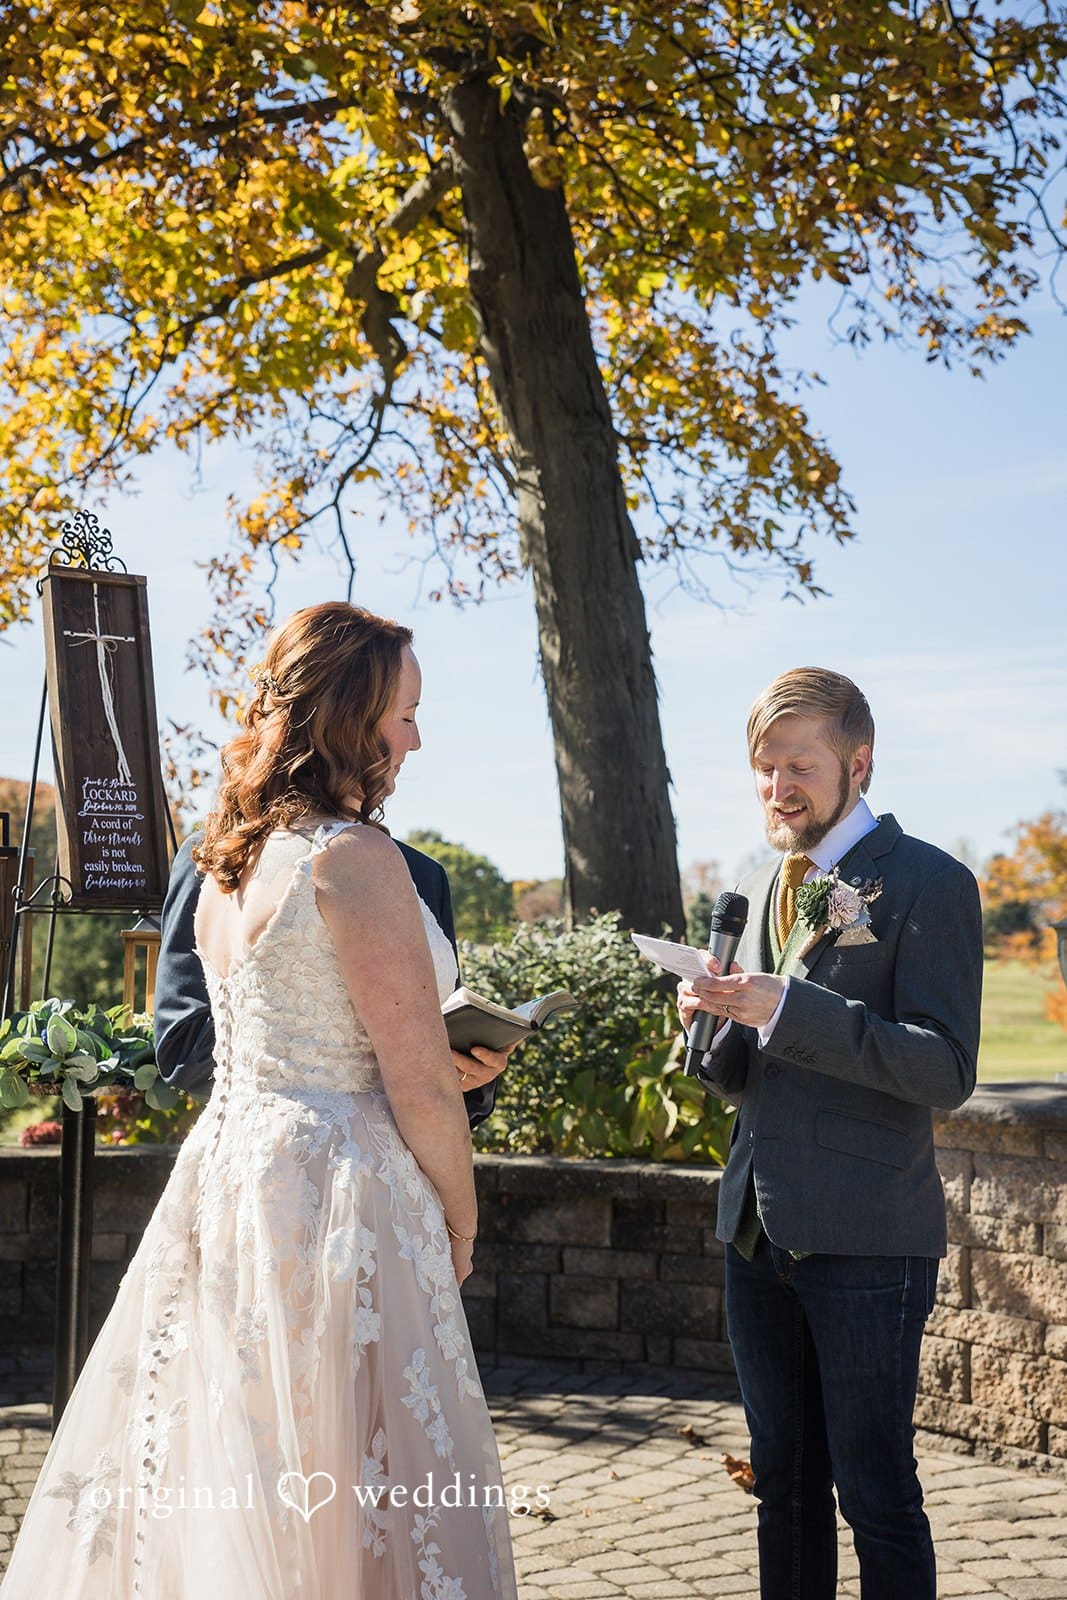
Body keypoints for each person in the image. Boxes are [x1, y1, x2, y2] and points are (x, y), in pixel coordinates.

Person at [3, 603, 518, 1599]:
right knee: (343, 1471)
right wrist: (458, 1220)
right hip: (339, 1194)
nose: (416, 736)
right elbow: (412, 1081)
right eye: (404, 713)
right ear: (351, 716)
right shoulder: (353, 858)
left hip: (233, 1176)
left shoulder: (230, 862)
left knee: (246, 1458)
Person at [677, 667, 981, 1600]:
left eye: (797, 765)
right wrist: (713, 1024)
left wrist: (787, 1009)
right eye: (764, 768)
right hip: (753, 1231)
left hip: (866, 1239)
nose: (777, 788)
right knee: (784, 1489)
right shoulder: (755, 879)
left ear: (858, 763)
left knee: (876, 1493)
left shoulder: (930, 881)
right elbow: (746, 1075)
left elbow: (943, 1068)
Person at [155, 830, 504, 1127]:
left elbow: (443, 1028)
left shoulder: (425, 874)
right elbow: (184, 1047)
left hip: (400, 1179)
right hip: (275, 1159)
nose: (415, 746)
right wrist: (376, 1063)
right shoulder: (218, 854)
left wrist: (474, 1075)